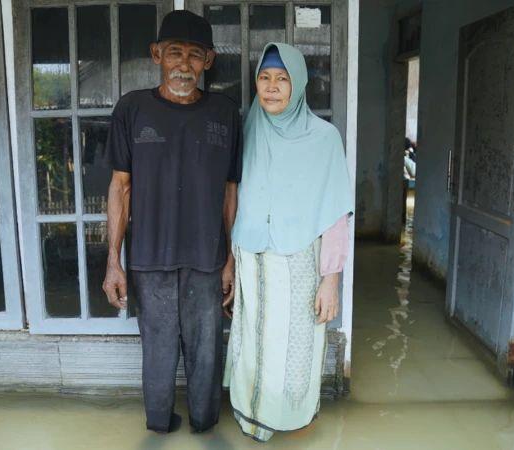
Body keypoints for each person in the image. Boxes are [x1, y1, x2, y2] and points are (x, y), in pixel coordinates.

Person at [102, 10, 242, 434]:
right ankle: (160, 427)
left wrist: (232, 257)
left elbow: (231, 191)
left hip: (207, 257)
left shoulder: (225, 112)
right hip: (149, 257)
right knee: (158, 350)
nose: (184, 65)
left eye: (195, 56)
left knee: (206, 353)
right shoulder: (132, 108)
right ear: (156, 55)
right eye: (174, 53)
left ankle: (204, 427)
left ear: (209, 60)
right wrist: (113, 260)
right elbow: (120, 188)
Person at [224, 43, 352, 442]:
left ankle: (292, 418)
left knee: (295, 344)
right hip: (250, 256)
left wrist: (330, 279)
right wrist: (228, 261)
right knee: (254, 340)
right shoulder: (247, 128)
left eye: (283, 79)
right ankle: (252, 417)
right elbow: (232, 195)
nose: (273, 88)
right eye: (265, 77)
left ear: (299, 86)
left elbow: (336, 215)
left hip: (298, 261)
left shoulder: (324, 138)